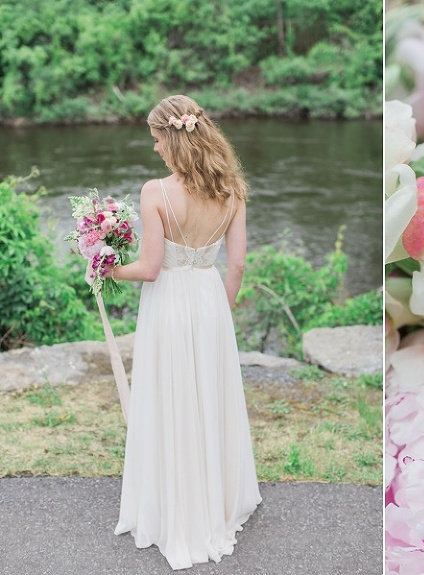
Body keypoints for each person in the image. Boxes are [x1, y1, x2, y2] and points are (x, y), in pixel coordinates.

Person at [110, 94, 261, 570]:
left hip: (170, 304)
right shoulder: (233, 188)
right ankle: (215, 501)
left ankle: (174, 503)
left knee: (172, 398)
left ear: (173, 138)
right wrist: (223, 310)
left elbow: (151, 269)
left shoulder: (155, 192)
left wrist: (106, 269)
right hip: (210, 301)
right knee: (209, 398)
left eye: (156, 139)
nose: (154, 149)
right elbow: (236, 263)